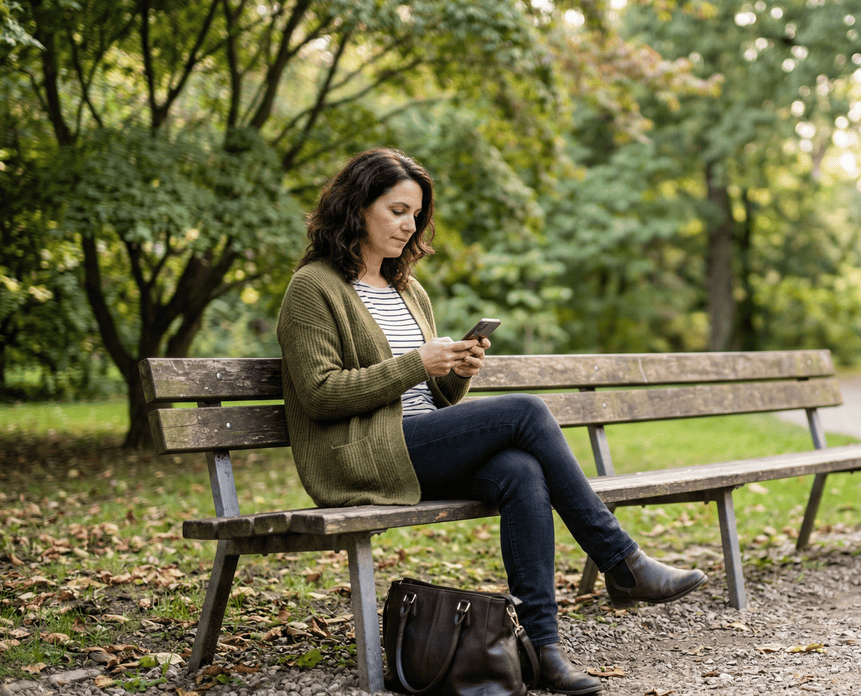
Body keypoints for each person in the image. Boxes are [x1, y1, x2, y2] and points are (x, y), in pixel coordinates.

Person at [276, 148, 707, 695]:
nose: (409, 226)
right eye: (397, 210)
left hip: (413, 446)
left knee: (522, 470)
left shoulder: (409, 290)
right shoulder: (312, 288)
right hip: (358, 457)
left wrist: (456, 372)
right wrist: (416, 363)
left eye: (416, 215)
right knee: (526, 410)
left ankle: (544, 651)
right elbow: (318, 395)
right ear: (357, 207)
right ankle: (621, 560)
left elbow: (433, 402)